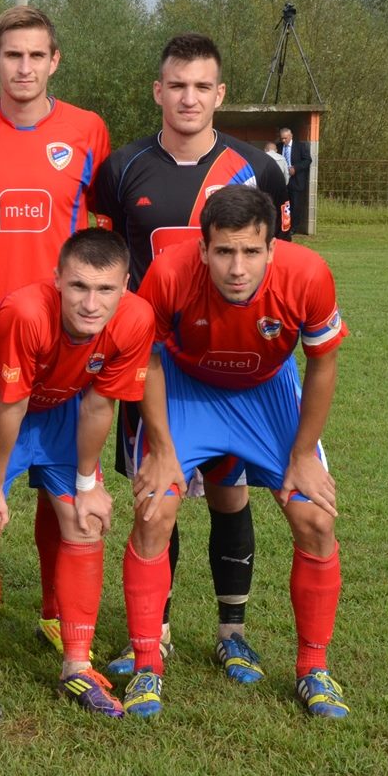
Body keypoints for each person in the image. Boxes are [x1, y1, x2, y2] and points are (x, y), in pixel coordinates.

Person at [87, 32, 290, 682]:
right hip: (155, 364)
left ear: (220, 93)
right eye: (177, 85)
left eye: (202, 86)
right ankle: (158, 630)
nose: (189, 97)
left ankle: (233, 631)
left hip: (232, 365)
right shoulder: (121, 170)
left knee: (230, 493)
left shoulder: (258, 168)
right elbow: (106, 263)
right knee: (158, 495)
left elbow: (272, 263)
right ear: (158, 91)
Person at [125, 184, 348, 719]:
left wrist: (300, 457)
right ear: (203, 249)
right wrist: (159, 448)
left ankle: (314, 669)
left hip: (265, 391)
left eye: (251, 251)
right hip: (187, 389)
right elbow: (148, 361)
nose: (237, 267)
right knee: (154, 510)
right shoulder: (171, 273)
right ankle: (146, 665)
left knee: (315, 520)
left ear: (273, 248)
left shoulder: (309, 275)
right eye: (224, 251)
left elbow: (323, 364)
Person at [0, 5, 112, 664]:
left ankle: (53, 611)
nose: (25, 67)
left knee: (57, 481)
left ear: (55, 60)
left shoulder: (88, 131)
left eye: (37, 56)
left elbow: (96, 227)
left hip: (69, 338)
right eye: (13, 55)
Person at [0, 228, 152, 725]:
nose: (90, 302)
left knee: (85, 521)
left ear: (125, 285)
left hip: (64, 401)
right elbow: (12, 403)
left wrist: (87, 484)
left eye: (105, 289)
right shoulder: (26, 312)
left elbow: (102, 402)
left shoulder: (136, 318)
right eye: (79, 286)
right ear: (57, 278)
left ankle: (76, 665)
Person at [279, 127, 311, 237]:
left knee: (295, 205)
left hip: (296, 181)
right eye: (282, 138)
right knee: (284, 205)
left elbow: (308, 160)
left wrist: (296, 168)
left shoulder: (300, 146)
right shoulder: (279, 147)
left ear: (291, 136)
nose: (283, 141)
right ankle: (283, 227)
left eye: (285, 138)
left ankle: (294, 228)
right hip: (283, 181)